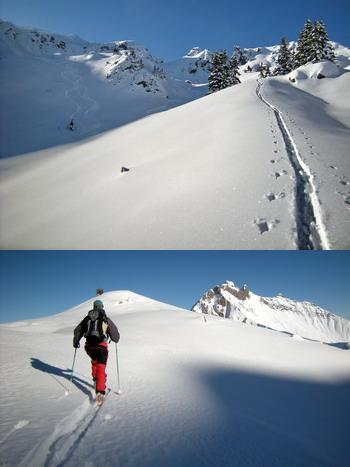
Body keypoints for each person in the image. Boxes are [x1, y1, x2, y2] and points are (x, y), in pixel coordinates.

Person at [73, 300, 120, 404]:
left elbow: (78, 330)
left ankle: (95, 380)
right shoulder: (105, 318)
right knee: (101, 368)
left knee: (95, 361)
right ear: (102, 307)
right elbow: (115, 334)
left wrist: (76, 342)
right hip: (101, 347)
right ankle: (100, 392)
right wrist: (115, 339)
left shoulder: (87, 318)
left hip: (89, 347)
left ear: (94, 307)